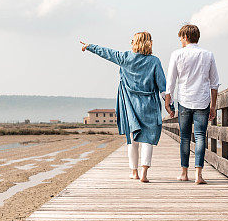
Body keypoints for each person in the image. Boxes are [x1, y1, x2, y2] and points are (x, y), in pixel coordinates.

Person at [80, 32, 166, 183]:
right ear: (149, 43)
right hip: (149, 105)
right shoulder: (154, 61)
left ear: (135, 43)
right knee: (148, 139)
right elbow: (163, 87)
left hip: (130, 105)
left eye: (132, 40)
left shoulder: (125, 58)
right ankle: (144, 172)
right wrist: (170, 105)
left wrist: (89, 47)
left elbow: (106, 52)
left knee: (132, 138)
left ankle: (134, 172)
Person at [164, 24, 219, 185]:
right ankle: (199, 175)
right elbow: (214, 84)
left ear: (186, 37)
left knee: (185, 137)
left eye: (181, 37)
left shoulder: (177, 54)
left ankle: (184, 173)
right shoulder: (208, 55)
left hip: (185, 100)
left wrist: (168, 101)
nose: (180, 40)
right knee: (201, 136)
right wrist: (213, 106)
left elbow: (171, 80)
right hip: (202, 101)